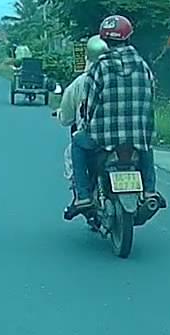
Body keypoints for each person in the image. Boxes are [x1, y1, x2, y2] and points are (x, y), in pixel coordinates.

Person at [67, 15, 160, 214]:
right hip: (137, 136)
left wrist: (86, 125)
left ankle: (83, 196)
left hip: (103, 138)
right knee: (146, 145)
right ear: (128, 37)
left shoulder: (99, 67)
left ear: (104, 40)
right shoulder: (143, 66)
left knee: (77, 143)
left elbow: (89, 105)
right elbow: (151, 95)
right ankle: (150, 190)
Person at [56, 36, 109, 182]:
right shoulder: (129, 74)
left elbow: (66, 119)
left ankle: (82, 192)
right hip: (130, 137)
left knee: (77, 144)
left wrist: (60, 114)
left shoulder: (82, 82)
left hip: (96, 137)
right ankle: (150, 189)